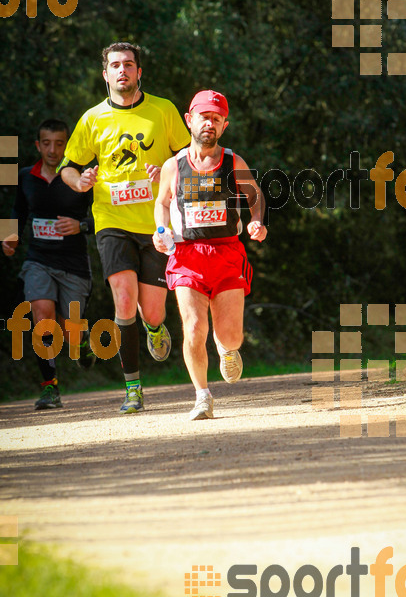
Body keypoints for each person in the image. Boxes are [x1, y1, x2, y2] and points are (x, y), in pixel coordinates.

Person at [60, 42, 190, 413]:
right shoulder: (92, 119)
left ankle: (154, 328)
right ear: (105, 74)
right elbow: (68, 166)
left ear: (139, 72)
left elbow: (188, 159)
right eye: (115, 65)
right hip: (111, 221)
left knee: (152, 311)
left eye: (129, 65)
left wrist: (166, 169)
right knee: (123, 298)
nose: (122, 71)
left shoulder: (163, 110)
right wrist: (79, 181)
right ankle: (133, 388)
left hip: (157, 222)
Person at [153, 89, 267, 420]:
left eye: (216, 119)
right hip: (187, 255)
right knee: (193, 327)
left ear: (224, 125)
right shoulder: (174, 166)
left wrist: (257, 220)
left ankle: (227, 348)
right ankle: (202, 396)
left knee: (230, 333)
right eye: (204, 117)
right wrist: (161, 231)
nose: (209, 123)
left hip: (227, 252)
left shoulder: (233, 162)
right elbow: (161, 203)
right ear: (190, 120)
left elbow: (254, 194)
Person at [2, 119, 95, 410]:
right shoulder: (24, 176)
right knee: (42, 315)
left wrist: (81, 226)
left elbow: (102, 217)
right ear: (37, 145)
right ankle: (50, 388)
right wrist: (8, 237)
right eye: (46, 143)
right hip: (38, 260)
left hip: (74, 263)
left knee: (71, 330)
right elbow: (16, 209)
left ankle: (80, 343)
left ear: (68, 146)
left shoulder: (82, 178)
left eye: (59, 143)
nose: (53, 150)